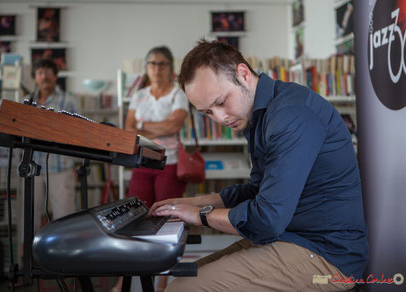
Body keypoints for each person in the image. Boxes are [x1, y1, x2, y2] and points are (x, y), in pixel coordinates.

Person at [148, 39, 369, 291]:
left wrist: (199, 215)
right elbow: (258, 190)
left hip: (328, 253)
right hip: (293, 237)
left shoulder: (290, 115)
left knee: (184, 289)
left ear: (243, 74)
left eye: (221, 102)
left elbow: (266, 220)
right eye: (207, 112)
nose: (220, 118)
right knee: (184, 279)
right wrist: (191, 204)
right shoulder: (261, 112)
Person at [110, 46, 189, 292]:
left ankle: (162, 283)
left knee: (168, 220)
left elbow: (175, 124)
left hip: (170, 162)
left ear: (171, 69)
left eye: (162, 63)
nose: (157, 68)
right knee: (133, 217)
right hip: (141, 162)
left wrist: (144, 126)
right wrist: (156, 127)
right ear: (146, 68)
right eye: (152, 63)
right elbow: (129, 129)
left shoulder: (179, 93)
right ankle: (124, 280)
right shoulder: (139, 94)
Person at [19, 58, 77, 252]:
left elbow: (79, 134)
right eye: (40, 73)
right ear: (35, 77)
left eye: (48, 72)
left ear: (55, 76)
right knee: (28, 217)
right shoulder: (26, 102)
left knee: (64, 218)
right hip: (32, 169)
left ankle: (66, 266)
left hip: (61, 168)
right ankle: (26, 264)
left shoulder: (68, 100)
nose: (44, 76)